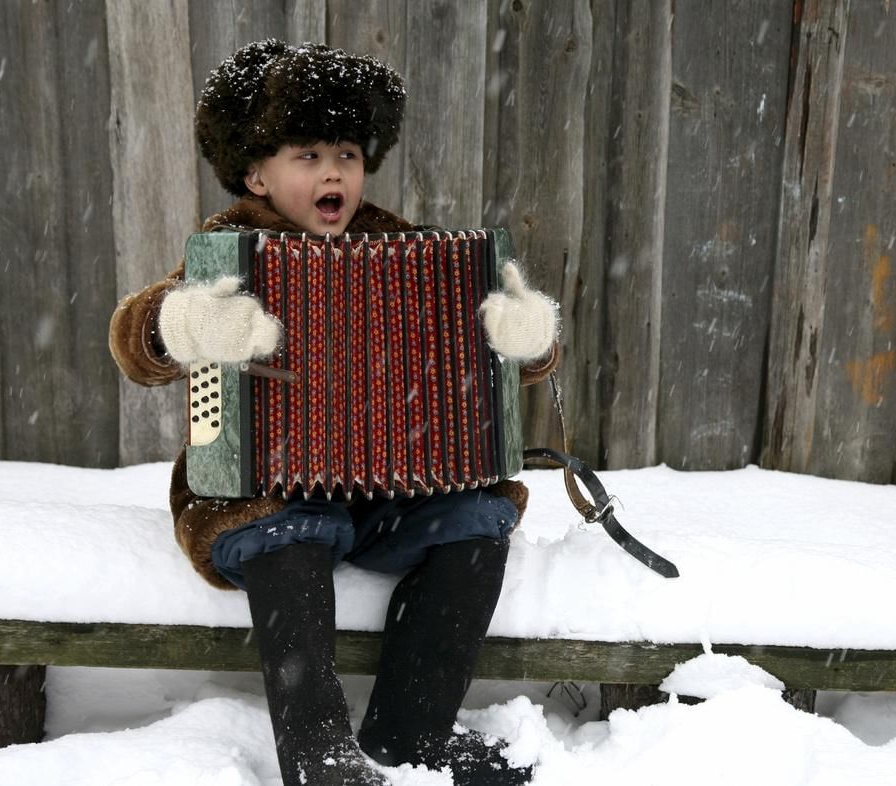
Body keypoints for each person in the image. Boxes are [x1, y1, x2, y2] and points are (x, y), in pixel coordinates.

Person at [108, 39, 559, 786]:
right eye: (307, 154)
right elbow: (134, 343)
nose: (332, 173)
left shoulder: (408, 251)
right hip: (263, 498)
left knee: (477, 521)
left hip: (390, 496)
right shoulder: (228, 254)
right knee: (291, 526)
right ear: (256, 172)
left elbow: (501, 351)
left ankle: (410, 734)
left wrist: (526, 339)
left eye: (347, 154)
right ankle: (317, 751)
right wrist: (176, 325)